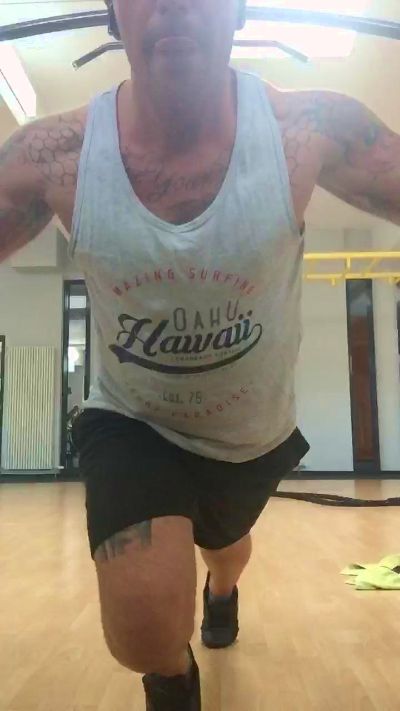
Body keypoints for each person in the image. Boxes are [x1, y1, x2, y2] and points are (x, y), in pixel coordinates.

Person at [1, 1, 400, 708]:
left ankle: (223, 587)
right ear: (116, 14)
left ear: (236, 10)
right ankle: (173, 677)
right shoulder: (54, 154)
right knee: (144, 630)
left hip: (250, 437)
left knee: (226, 548)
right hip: (131, 421)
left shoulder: (306, 129)